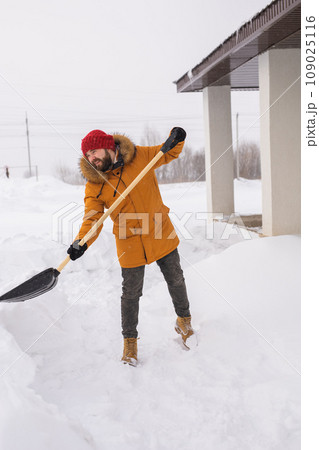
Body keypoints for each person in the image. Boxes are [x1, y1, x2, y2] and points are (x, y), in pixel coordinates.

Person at [67, 128, 195, 366]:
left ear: (108, 147)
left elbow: (167, 153)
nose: (92, 158)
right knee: (131, 294)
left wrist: (177, 138)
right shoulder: (95, 183)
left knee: (176, 278)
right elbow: (92, 217)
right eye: (88, 155)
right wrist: (81, 241)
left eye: (95, 152)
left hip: (159, 229)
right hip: (129, 239)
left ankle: (184, 322)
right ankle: (130, 343)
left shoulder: (139, 156)